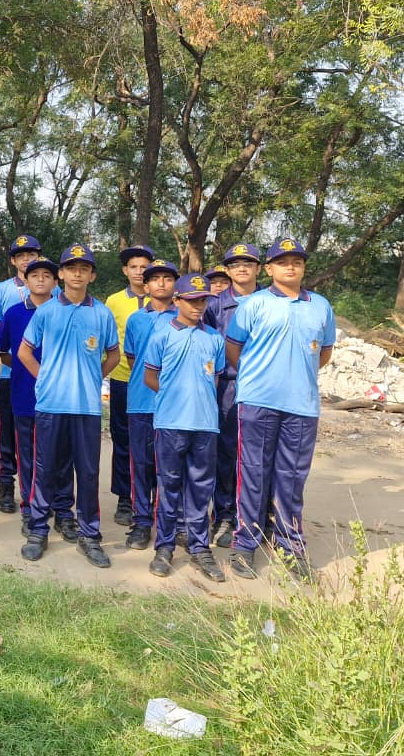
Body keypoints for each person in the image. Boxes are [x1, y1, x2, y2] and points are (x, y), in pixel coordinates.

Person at [225, 237, 335, 581]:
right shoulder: (254, 304)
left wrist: (296, 376)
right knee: (253, 474)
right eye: (283, 262)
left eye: (297, 262)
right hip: (257, 402)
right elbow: (233, 348)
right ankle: (245, 542)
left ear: (303, 268)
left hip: (302, 405)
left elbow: (324, 353)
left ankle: (290, 545)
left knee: (291, 478)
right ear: (269, 268)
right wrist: (257, 376)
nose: (291, 267)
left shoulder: (321, 306)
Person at [18, 243, 120, 568]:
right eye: (71, 268)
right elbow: (24, 352)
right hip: (51, 405)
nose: (77, 274)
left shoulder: (101, 313)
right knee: (45, 469)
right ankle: (38, 530)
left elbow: (114, 355)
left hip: (87, 408)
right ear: (61, 274)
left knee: (88, 473)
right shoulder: (46, 311)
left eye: (84, 268)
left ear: (92, 275)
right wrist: (45, 377)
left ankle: (89, 535)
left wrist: (93, 377)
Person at [143, 274, 227, 581]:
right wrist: (173, 396)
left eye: (202, 300)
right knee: (168, 486)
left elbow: (214, 379)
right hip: (170, 423)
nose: (197, 306)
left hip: (205, 425)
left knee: (201, 489)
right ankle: (164, 547)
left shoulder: (214, 339)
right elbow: (150, 378)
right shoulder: (161, 335)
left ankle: (199, 547)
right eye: (191, 300)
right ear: (177, 301)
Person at [0, 256, 66, 536]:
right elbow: (1, 350)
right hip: (24, 392)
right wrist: (23, 366)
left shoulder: (65, 311)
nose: (40, 280)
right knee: (26, 453)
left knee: (58, 453)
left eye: (47, 276)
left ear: (56, 281)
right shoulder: (14, 313)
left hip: (60, 397)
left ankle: (56, 504)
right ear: (25, 279)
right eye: (34, 275)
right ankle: (29, 507)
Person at [202, 241, 262, 548]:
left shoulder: (271, 300)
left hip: (264, 386)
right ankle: (225, 514)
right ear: (227, 270)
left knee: (259, 453)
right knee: (226, 451)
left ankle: (257, 515)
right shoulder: (214, 305)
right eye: (235, 264)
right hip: (228, 384)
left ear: (259, 268)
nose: (242, 268)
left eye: (248, 263)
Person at [121, 258, 179, 551]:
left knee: (170, 468)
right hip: (142, 402)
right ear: (146, 285)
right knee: (142, 465)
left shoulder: (185, 316)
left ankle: (170, 522)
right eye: (155, 278)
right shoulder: (136, 319)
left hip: (176, 405)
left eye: (167, 278)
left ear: (175, 285)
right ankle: (142, 521)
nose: (161, 283)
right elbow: (133, 358)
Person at [0, 234, 41, 514]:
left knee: (39, 436)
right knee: (7, 433)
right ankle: (6, 486)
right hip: (10, 374)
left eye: (31, 255)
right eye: (21, 256)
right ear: (13, 260)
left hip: (42, 375)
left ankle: (37, 490)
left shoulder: (52, 288)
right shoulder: (2, 290)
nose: (27, 260)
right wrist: (14, 363)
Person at [104, 243, 155, 526]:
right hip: (124, 380)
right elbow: (108, 340)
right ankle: (125, 497)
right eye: (133, 267)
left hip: (157, 384)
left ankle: (153, 496)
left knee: (155, 442)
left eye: (144, 267)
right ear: (125, 270)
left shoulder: (164, 299)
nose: (138, 272)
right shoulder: (113, 301)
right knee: (123, 440)